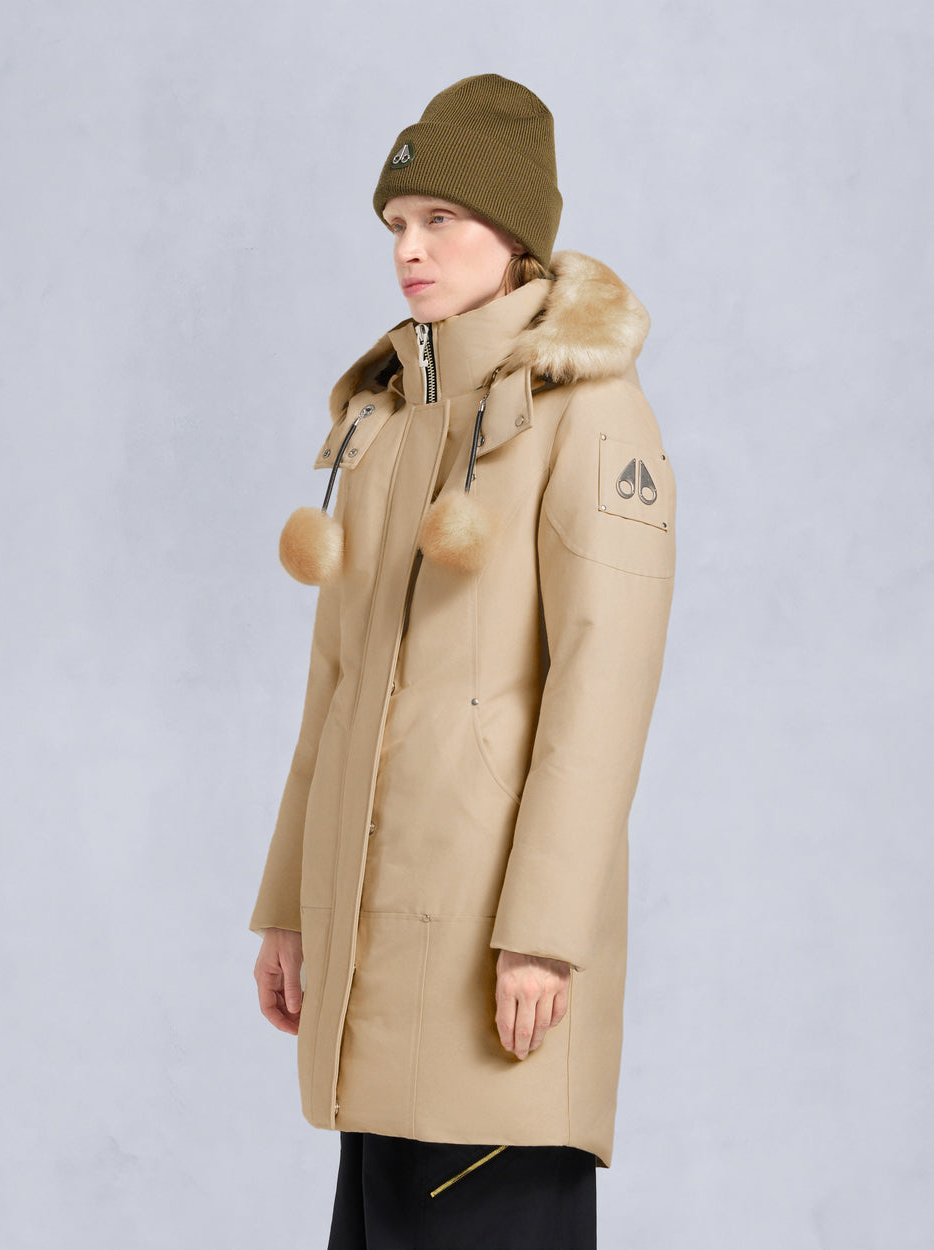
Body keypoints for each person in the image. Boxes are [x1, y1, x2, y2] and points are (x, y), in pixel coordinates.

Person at [249, 73, 676, 1249]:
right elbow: (335, 688)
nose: (409, 248)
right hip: (372, 942)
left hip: (492, 941)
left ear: (515, 231)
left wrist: (543, 928)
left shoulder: (587, 410)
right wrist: (288, 905)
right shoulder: (383, 423)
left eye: (441, 218)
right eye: (397, 221)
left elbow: (602, 682)